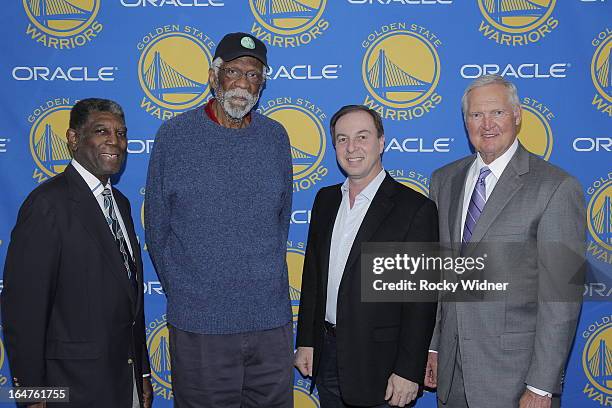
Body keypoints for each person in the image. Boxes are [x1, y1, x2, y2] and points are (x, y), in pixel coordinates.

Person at [145, 32, 293, 407]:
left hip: (270, 326)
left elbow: (280, 221)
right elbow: (157, 230)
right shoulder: (174, 136)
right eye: (233, 71)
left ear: (263, 83)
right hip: (200, 328)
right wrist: (190, 294)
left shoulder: (276, 137)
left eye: (254, 74)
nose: (243, 82)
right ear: (214, 76)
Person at [424, 75, 585, 408]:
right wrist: (435, 346)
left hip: (516, 380)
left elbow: (561, 299)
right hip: (452, 377)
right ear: (464, 121)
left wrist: (541, 387)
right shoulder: (444, 180)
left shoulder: (555, 187)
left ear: (517, 115)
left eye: (496, 113)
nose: (486, 125)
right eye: (476, 115)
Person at [1, 98, 152, 408]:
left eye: (121, 133)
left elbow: (129, 300)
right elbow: (23, 310)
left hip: (125, 386)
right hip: (72, 390)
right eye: (101, 131)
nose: (115, 141)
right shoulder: (47, 205)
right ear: (73, 139)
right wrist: (31, 396)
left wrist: (143, 375)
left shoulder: (121, 203)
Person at [295, 105, 438, 407]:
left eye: (362, 136)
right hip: (327, 355)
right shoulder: (325, 200)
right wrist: (307, 340)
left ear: (381, 142)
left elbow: (420, 301)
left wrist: (408, 371)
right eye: (342, 139)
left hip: (382, 367)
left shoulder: (414, 209)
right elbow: (313, 278)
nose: (352, 148)